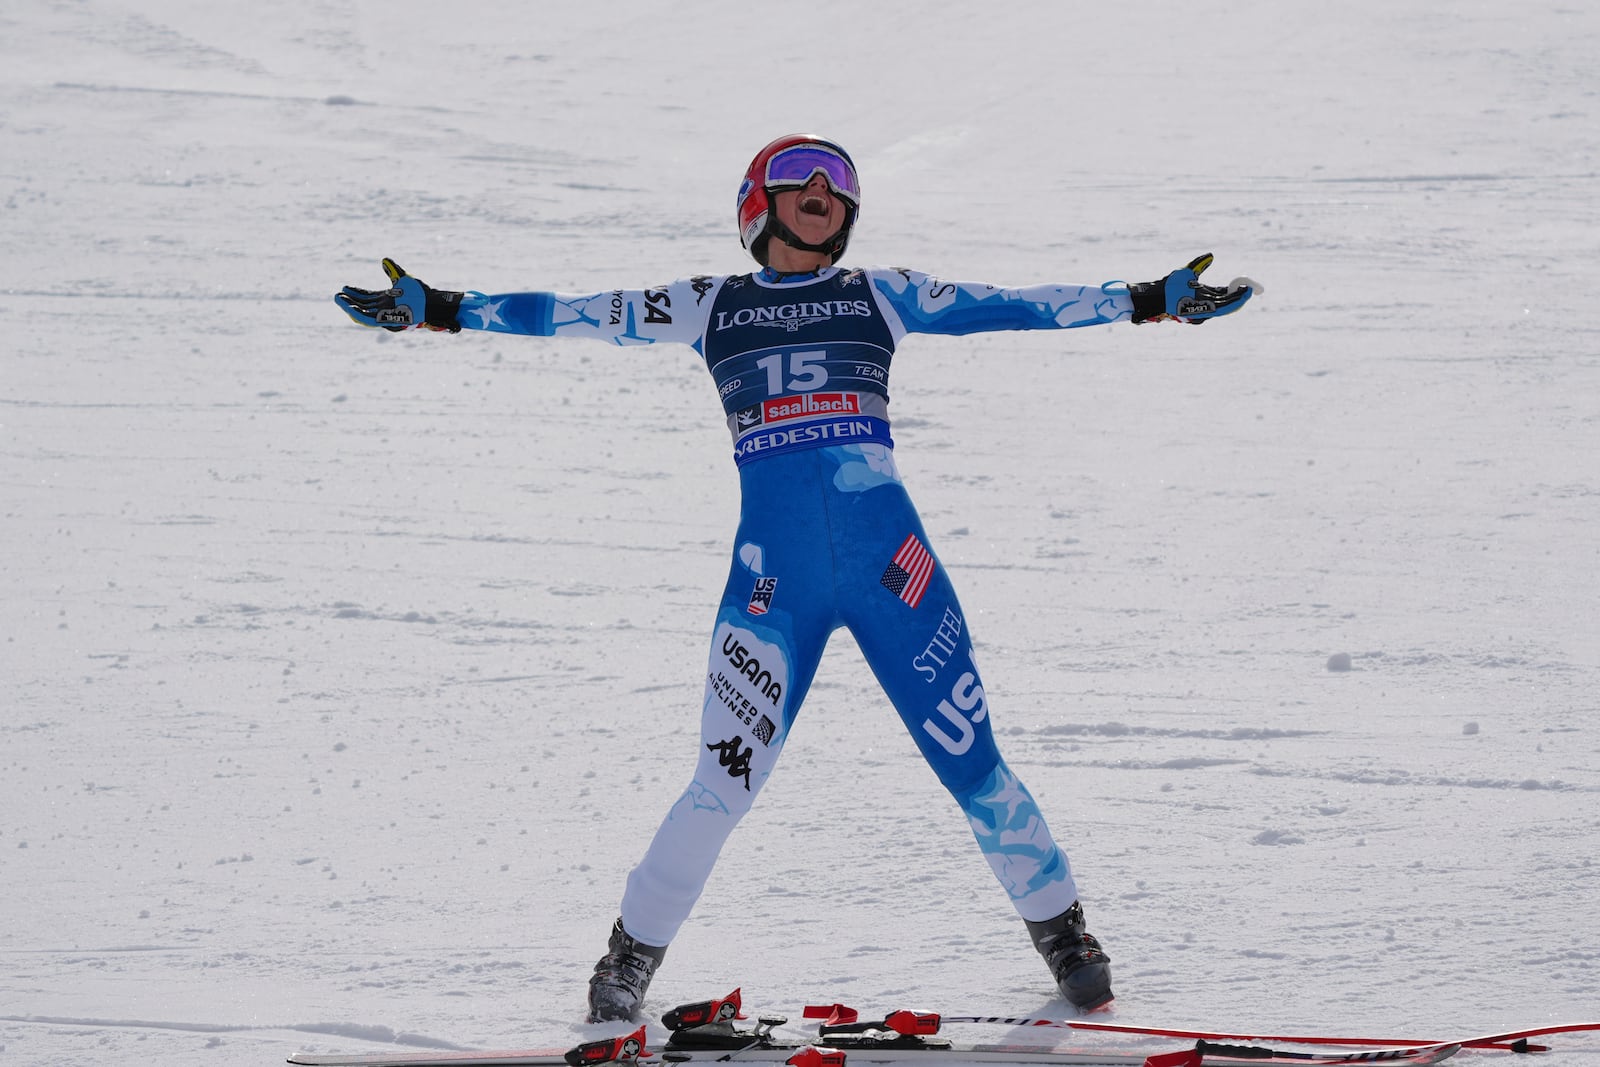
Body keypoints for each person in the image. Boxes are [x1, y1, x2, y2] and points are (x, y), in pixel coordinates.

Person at [336, 134, 1255, 1021]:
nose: (826, 188)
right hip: (774, 584)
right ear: (757, 201)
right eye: (801, 175)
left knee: (971, 759)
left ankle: (1064, 934)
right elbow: (574, 310)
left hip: (893, 570)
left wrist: (1148, 298)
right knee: (719, 781)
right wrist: (441, 308)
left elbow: (1014, 302)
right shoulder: (708, 303)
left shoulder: (881, 293)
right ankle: (629, 955)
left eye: (841, 182)